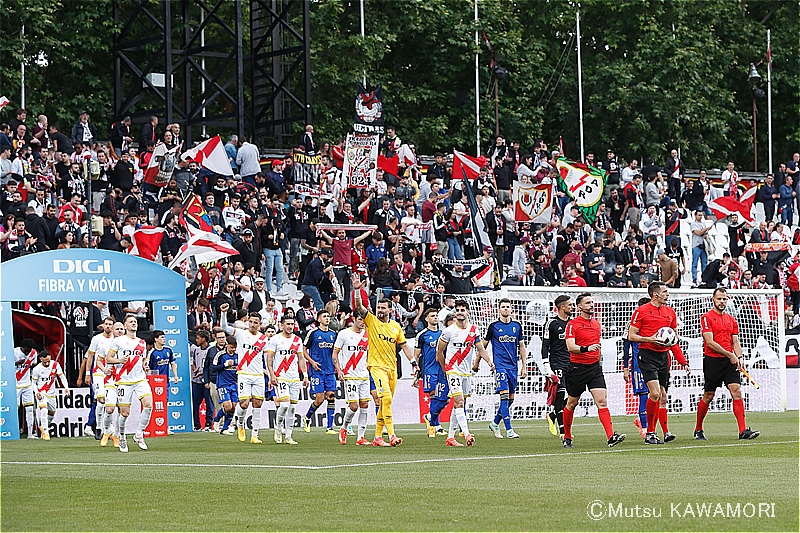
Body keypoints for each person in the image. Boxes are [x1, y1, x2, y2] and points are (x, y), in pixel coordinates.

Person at [351, 276, 417, 447]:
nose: (379, 310)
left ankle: (378, 437)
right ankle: (392, 434)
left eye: (382, 308)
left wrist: (413, 362)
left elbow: (404, 346)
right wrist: (357, 290)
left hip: (392, 368)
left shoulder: (395, 326)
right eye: (378, 307)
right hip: (376, 366)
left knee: (386, 402)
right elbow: (359, 307)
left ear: (389, 310)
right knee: (385, 397)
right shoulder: (371, 321)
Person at [562, 293, 626, 448]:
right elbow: (570, 347)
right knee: (572, 403)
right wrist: (586, 348)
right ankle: (567, 436)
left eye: (592, 302)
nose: (591, 305)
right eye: (588, 303)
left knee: (602, 401)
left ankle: (611, 436)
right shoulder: (573, 324)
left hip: (594, 368)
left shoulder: (596, 324)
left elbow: (597, 347)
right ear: (579, 307)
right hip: (577, 368)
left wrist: (597, 360)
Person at [628, 282, 689, 444]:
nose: (667, 294)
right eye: (665, 291)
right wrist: (649, 339)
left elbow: (674, 338)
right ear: (655, 294)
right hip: (647, 355)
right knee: (654, 393)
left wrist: (682, 360)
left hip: (664, 357)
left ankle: (657, 432)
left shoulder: (670, 312)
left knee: (662, 397)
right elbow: (631, 336)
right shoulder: (641, 311)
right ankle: (649, 432)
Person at [696, 288, 760, 441]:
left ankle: (743, 430)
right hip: (713, 361)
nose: (722, 302)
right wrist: (730, 354)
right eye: (719, 299)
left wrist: (740, 357)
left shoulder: (731, 319)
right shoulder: (706, 317)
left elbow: (735, 342)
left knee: (736, 391)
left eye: (724, 299)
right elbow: (710, 342)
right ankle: (698, 428)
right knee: (709, 395)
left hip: (729, 361)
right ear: (713, 300)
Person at [436, 299, 494, 447]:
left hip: (466, 373)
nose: (460, 313)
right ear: (455, 313)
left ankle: (450, 437)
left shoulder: (474, 330)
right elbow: (439, 353)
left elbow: (481, 349)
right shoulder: (448, 331)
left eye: (463, 310)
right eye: (458, 310)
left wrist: (489, 362)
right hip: (453, 370)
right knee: (459, 401)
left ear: (468, 312)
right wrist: (446, 369)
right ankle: (467, 434)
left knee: (459, 404)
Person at [219, 304, 269, 444]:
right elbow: (225, 327)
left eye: (255, 323)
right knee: (244, 404)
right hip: (244, 373)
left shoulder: (263, 339)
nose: (253, 325)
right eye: (251, 322)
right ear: (248, 322)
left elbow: (267, 358)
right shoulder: (241, 334)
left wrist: (269, 374)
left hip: (258, 375)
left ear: (260, 324)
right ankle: (240, 425)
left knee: (258, 404)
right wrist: (224, 313)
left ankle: (255, 435)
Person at [105, 315, 153, 453]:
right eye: (131, 322)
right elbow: (109, 358)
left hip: (140, 379)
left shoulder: (142, 343)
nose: (134, 323)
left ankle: (139, 434)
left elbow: (143, 359)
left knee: (149, 404)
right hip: (124, 381)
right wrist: (119, 360)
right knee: (125, 413)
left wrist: (145, 365)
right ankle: (121, 436)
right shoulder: (118, 341)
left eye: (135, 322)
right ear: (125, 326)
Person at [484, 298, 527, 439]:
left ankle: (495, 422)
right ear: (499, 309)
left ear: (511, 309)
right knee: (503, 396)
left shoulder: (517, 326)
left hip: (513, 367)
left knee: (510, 399)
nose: (505, 309)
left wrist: (524, 366)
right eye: (503, 307)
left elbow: (521, 346)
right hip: (500, 366)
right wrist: (479, 361)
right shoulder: (494, 326)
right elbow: (482, 345)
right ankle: (509, 430)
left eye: (508, 307)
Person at [267, 314, 309, 445]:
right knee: (284, 405)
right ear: (282, 325)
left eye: (292, 324)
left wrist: (305, 375)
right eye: (288, 324)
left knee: (292, 408)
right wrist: (272, 375)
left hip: (294, 378)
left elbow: (301, 358)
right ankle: (278, 428)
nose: (290, 326)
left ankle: (289, 436)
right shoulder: (275, 339)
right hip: (281, 377)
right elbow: (269, 359)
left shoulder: (297, 340)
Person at [332, 315, 372, 445]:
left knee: (365, 405)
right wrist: (339, 370)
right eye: (360, 319)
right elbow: (335, 353)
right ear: (353, 319)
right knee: (354, 406)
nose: (362, 323)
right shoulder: (344, 334)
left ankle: (361, 437)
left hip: (364, 375)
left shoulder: (367, 335)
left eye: (364, 320)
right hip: (350, 375)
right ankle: (344, 427)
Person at [302, 310, 338, 433]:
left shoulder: (333, 334)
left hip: (330, 371)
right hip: (317, 371)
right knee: (319, 399)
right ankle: (307, 417)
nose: (327, 318)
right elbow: (304, 350)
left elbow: (336, 353)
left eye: (328, 316)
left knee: (331, 397)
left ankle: (329, 427)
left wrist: (338, 368)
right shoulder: (313, 333)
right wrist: (312, 362)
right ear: (318, 319)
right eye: (324, 316)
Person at [541, 295, 572, 437]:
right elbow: (545, 346)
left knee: (574, 396)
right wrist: (546, 366)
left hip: (572, 364)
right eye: (569, 305)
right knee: (560, 396)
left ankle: (553, 414)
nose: (572, 307)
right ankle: (563, 431)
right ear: (562, 307)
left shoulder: (573, 323)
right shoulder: (551, 323)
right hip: (557, 364)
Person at [414, 307, 446, 438]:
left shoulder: (444, 334)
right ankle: (435, 426)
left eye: (436, 315)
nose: (435, 318)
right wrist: (415, 373)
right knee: (433, 395)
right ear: (426, 318)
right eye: (432, 316)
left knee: (444, 398)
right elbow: (416, 355)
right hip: (429, 370)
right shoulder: (422, 335)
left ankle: (430, 418)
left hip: (442, 370)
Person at [86, 318, 115, 445]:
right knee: (101, 399)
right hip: (98, 372)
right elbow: (90, 356)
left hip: (111, 373)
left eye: (110, 325)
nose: (108, 326)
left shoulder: (116, 340)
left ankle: (108, 429)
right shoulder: (97, 339)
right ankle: (98, 427)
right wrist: (88, 373)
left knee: (110, 403)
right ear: (103, 325)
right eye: (107, 324)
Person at [31, 349, 70, 440]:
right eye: (45, 362)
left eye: (48, 361)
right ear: (41, 359)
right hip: (42, 392)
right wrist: (36, 393)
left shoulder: (55, 365)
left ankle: (42, 426)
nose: (47, 364)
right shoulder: (37, 369)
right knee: (43, 410)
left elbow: (62, 377)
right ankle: (46, 432)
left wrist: (66, 388)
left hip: (51, 394)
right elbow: (33, 383)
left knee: (52, 414)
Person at [212, 332, 239, 435]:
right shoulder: (220, 355)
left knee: (233, 406)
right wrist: (224, 365)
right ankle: (217, 419)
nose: (233, 349)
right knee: (227, 407)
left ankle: (225, 429)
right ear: (227, 345)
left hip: (233, 384)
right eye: (231, 347)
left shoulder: (237, 356)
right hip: (223, 384)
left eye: (234, 348)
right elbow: (213, 368)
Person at [14, 339, 38, 438]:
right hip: (15, 384)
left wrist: (30, 365)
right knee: (15, 409)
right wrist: (16, 363)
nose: (28, 352)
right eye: (26, 350)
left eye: (29, 350)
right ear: (22, 347)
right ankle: (14, 432)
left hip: (27, 384)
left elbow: (34, 364)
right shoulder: (14, 351)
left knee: (29, 409)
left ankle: (30, 434)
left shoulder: (33, 353)